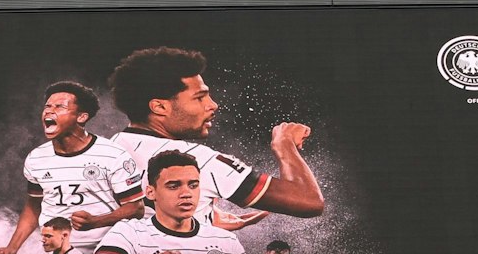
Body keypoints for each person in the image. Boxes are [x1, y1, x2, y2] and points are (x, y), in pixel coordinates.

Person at [106, 47, 324, 232]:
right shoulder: (196, 160)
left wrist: (203, 220)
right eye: (199, 97)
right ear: (160, 107)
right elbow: (309, 202)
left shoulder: (109, 149)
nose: (212, 105)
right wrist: (284, 144)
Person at [0, 82, 145, 254]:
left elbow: (136, 208)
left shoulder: (113, 154)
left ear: (81, 117)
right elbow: (34, 206)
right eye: (47, 106)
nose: (49, 111)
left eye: (59, 106)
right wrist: (12, 248)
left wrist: (96, 222)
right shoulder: (36, 158)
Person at [93, 151, 255, 254]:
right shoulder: (128, 232)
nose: (186, 193)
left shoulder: (226, 241)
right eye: (173, 186)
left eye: (193, 185)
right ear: (151, 192)